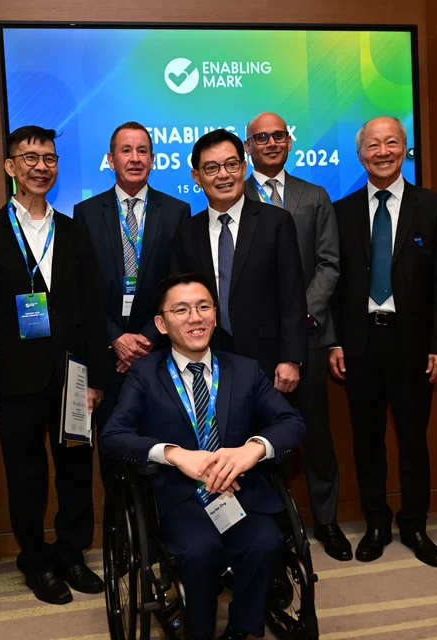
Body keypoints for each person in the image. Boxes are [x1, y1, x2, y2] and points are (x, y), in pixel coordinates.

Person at [100, 272, 306, 640]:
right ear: (161, 324)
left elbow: (291, 422)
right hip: (180, 496)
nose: (195, 318)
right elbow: (114, 437)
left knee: (266, 543)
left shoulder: (244, 369)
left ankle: (242, 631)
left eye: (203, 307)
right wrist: (174, 454)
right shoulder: (145, 373)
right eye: (181, 310)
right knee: (200, 551)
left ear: (215, 314)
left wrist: (252, 449)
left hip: (238, 490)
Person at [0, 126, 108, 604]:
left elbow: (90, 309)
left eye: (49, 158)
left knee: (74, 470)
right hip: (14, 379)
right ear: (10, 167)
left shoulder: (73, 231)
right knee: (24, 475)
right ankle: (35, 560)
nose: (40, 166)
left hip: (71, 377)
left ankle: (72, 553)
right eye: (29, 158)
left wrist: (93, 378)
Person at [328, 116, 437, 568]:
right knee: (367, 441)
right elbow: (333, 283)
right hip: (360, 343)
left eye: (392, 142)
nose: (382, 152)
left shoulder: (433, 206)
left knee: (413, 439)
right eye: (373, 145)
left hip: (414, 345)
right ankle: (377, 522)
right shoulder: (340, 212)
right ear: (360, 154)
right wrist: (333, 342)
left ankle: (415, 524)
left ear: (405, 148)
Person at [243, 112, 347, 561]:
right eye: (260, 138)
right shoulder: (230, 194)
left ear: (289, 141)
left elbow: (329, 264)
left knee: (317, 435)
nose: (270, 143)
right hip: (251, 343)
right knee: (256, 437)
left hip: (307, 336)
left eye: (278, 136)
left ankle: (326, 520)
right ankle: (273, 524)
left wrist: (299, 315)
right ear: (248, 147)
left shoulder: (314, 196)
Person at [73, 121, 190, 486]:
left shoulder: (176, 211)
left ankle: (160, 537)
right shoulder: (85, 213)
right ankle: (122, 537)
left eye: (142, 151)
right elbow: (84, 290)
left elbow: (177, 287)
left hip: (155, 351)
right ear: (110, 159)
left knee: (162, 448)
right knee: (114, 448)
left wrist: (144, 338)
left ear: (153, 159)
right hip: (107, 355)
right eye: (126, 150)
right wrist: (116, 338)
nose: (135, 158)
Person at [170, 129, 308, 394]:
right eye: (211, 168)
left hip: (267, 360)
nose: (223, 175)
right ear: (196, 177)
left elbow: (292, 295)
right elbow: (179, 300)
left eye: (231, 164)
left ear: (244, 168)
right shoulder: (186, 232)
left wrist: (291, 358)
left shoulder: (276, 222)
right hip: (207, 360)